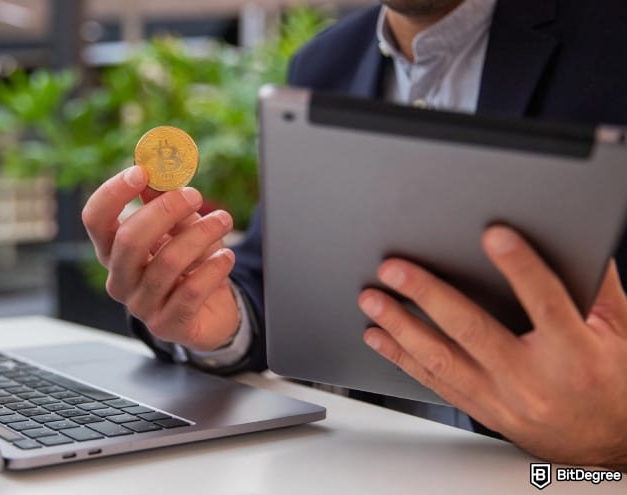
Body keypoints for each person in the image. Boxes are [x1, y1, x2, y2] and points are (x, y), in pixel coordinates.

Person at [81, 0, 627, 470]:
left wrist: (615, 447)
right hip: (355, 466)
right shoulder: (324, 63)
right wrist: (216, 318)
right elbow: (275, 277)